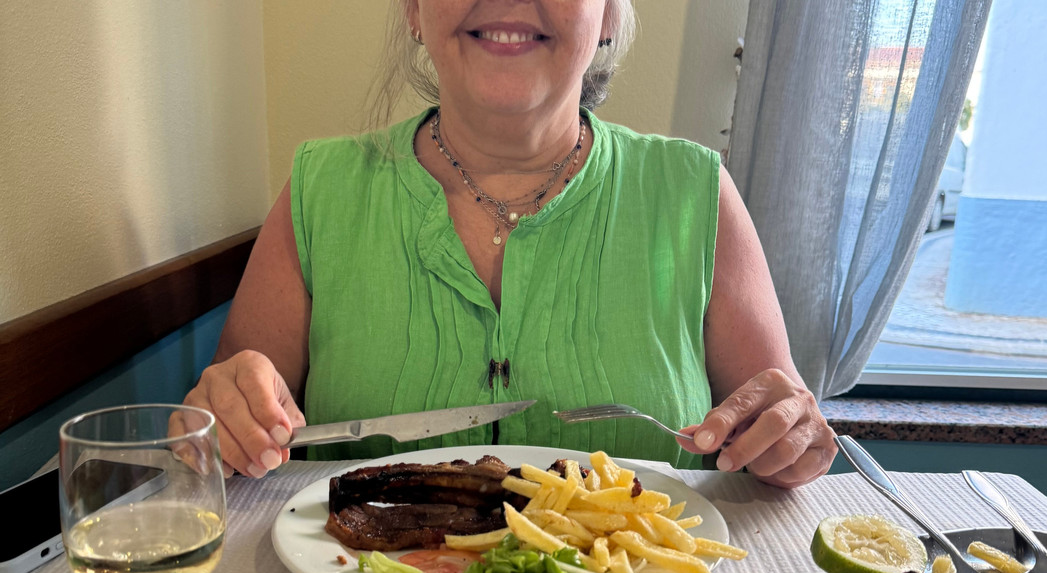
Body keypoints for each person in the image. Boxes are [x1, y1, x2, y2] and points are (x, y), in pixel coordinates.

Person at [183, 0, 837, 489]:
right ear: (413, 10)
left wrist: (789, 439)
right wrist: (224, 417)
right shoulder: (319, 190)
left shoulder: (696, 192)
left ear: (609, 14)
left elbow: (774, 434)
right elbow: (224, 440)